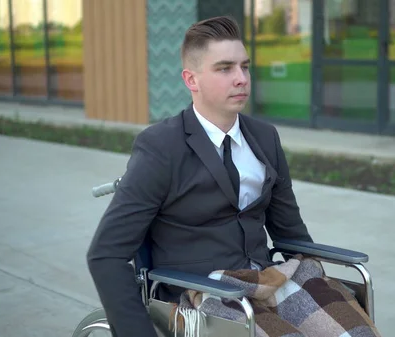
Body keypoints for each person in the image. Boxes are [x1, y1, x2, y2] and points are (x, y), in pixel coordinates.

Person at [86, 15, 314, 337]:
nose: (241, 79)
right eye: (225, 68)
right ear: (191, 80)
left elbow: (291, 231)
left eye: (244, 66)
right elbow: (106, 254)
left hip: (264, 284)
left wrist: (315, 280)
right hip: (198, 296)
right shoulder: (161, 148)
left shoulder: (265, 138)